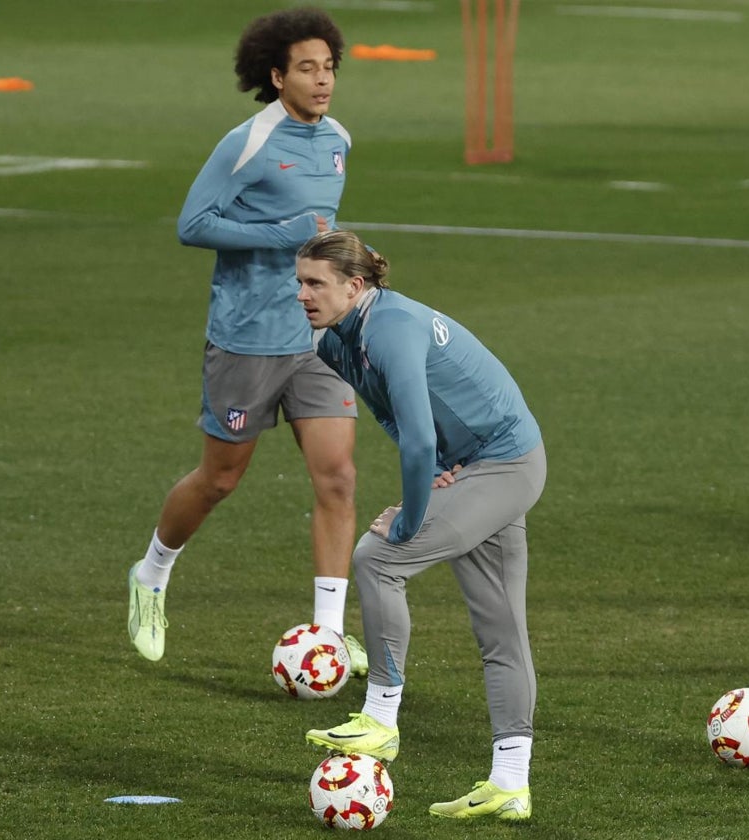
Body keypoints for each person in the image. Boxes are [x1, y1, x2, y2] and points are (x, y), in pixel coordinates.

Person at [126, 7, 367, 675]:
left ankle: (327, 634)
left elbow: (316, 233)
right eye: (308, 69)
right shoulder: (250, 140)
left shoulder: (340, 138)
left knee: (338, 477)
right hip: (247, 337)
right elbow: (193, 223)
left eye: (329, 68)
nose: (322, 81)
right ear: (276, 74)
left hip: (316, 337)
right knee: (220, 479)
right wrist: (282, 232)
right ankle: (151, 575)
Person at [295, 230, 547, 821]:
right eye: (299, 282)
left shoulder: (391, 328)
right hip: (476, 464)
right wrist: (437, 469)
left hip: (506, 463)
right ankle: (511, 783)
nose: (302, 294)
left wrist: (410, 513)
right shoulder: (335, 341)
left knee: (378, 556)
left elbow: (416, 436)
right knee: (502, 628)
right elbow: (392, 414)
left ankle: (381, 720)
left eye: (315, 283)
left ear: (355, 286)